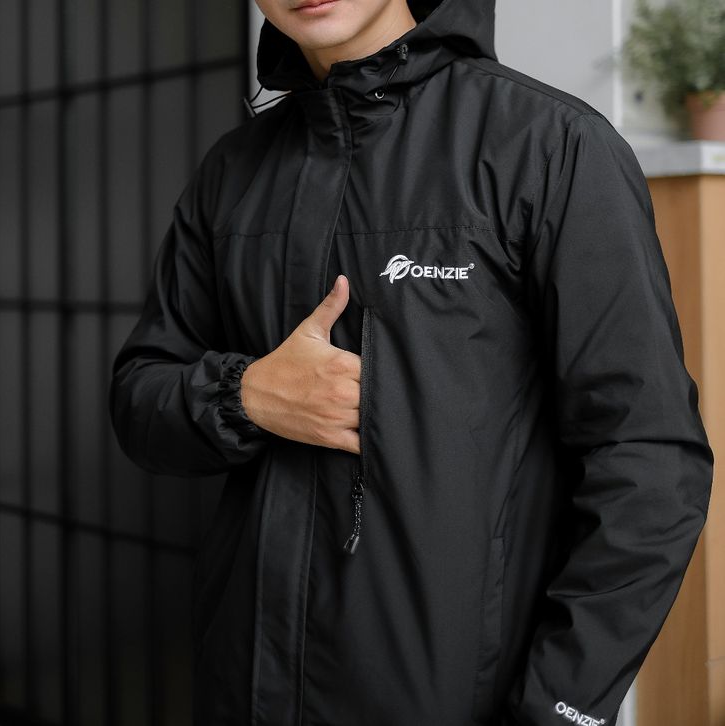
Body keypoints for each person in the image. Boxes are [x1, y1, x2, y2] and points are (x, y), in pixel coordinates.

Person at [109, 0, 714, 724]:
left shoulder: (547, 144)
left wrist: (560, 710)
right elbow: (139, 397)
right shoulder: (233, 170)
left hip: (455, 698)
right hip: (244, 686)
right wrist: (247, 396)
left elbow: (649, 462)